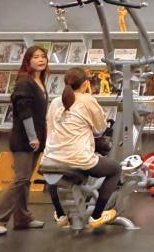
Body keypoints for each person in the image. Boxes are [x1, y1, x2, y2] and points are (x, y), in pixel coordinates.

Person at [41, 67, 120, 230]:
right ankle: (97, 216)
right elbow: (100, 129)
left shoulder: (55, 102)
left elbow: (50, 129)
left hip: (50, 158)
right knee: (115, 169)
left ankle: (60, 215)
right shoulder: (87, 100)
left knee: (53, 170)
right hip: (79, 159)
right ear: (85, 84)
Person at [0, 45, 49, 235]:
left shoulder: (39, 81)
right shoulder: (24, 82)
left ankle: (22, 218)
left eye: (43, 56)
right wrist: (33, 137)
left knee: (26, 180)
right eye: (36, 57)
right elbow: (24, 111)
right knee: (21, 179)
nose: (41, 60)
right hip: (24, 140)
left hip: (37, 139)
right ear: (28, 61)